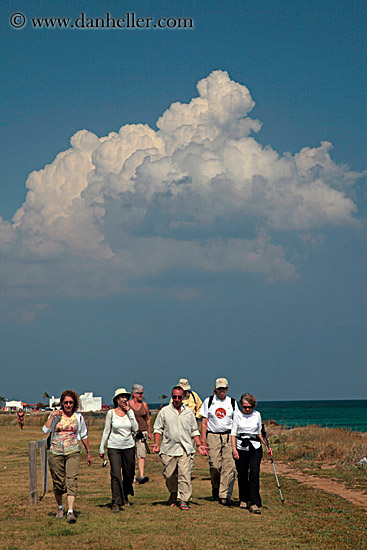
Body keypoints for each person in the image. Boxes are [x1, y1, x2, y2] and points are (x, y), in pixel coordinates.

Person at [153, 386, 207, 510]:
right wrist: (156, 443)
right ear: (172, 397)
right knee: (169, 475)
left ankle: (184, 499)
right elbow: (158, 429)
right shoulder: (164, 411)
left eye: (179, 397)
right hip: (169, 449)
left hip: (185, 449)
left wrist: (199, 445)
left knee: (184, 475)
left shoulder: (188, 412)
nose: (177, 399)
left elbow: (194, 431)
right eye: (174, 397)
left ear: (183, 397)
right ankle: (173, 492)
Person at [43, 390, 92, 523]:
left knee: (72, 480)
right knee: (58, 483)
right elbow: (45, 430)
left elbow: (84, 435)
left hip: (72, 452)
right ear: (62, 403)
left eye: (71, 402)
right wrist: (52, 416)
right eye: (66, 402)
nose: (68, 405)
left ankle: (70, 511)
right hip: (56, 452)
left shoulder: (78, 417)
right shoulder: (56, 416)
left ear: (74, 403)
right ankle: (60, 507)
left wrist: (88, 452)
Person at [200, 377, 239, 506]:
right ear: (215, 389)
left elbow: (236, 422)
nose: (222, 391)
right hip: (213, 436)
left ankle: (225, 495)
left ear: (227, 389)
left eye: (224, 388)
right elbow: (204, 422)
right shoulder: (209, 401)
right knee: (215, 465)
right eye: (219, 389)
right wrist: (203, 441)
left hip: (228, 436)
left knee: (229, 466)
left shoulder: (232, 402)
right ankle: (215, 487)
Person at [99, 388, 138, 512]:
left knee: (128, 474)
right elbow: (106, 431)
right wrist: (101, 447)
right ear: (117, 399)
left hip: (129, 447)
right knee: (115, 474)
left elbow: (135, 428)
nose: (125, 399)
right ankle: (116, 502)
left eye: (126, 397)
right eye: (122, 397)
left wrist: (130, 413)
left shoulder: (130, 413)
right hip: (114, 447)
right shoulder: (111, 413)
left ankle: (125, 495)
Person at [231, 392, 270, 514]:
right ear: (241, 405)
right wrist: (234, 450)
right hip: (240, 447)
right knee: (242, 474)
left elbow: (259, 433)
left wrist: (267, 446)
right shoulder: (237, 415)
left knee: (254, 474)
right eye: (245, 407)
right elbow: (233, 434)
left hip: (255, 447)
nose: (247, 409)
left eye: (250, 407)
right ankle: (243, 499)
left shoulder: (257, 415)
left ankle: (254, 502)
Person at [129, 384, 151, 484]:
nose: (142, 395)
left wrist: (149, 432)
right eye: (140, 393)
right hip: (131, 432)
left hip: (142, 432)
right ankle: (132, 475)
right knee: (131, 455)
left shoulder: (144, 405)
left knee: (141, 454)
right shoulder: (128, 405)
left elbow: (148, 419)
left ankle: (141, 475)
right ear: (134, 394)